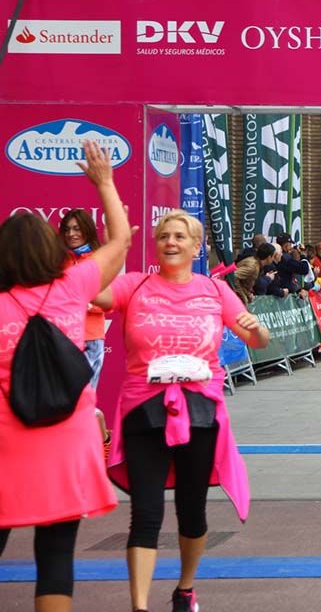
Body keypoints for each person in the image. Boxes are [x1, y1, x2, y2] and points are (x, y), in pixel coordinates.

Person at [95, 210, 269, 612]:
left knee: (192, 510)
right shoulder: (134, 284)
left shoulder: (213, 290)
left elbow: (257, 340)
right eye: (163, 236)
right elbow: (93, 293)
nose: (170, 243)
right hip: (143, 409)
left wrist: (256, 327)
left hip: (199, 411)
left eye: (179, 236)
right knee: (146, 512)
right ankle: (138, 606)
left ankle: (185, 589)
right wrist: (113, 244)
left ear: (196, 246)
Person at [0, 141, 130, 611]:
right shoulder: (72, 288)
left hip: (6, 442)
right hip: (64, 441)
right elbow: (119, 243)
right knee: (55, 553)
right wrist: (104, 183)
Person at [58, 209, 107, 389]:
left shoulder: (99, 259)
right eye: (67, 229)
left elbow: (107, 303)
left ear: (87, 229)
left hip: (90, 337)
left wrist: (77, 303)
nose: (71, 234)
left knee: (84, 399)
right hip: (62, 337)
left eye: (77, 229)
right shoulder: (59, 260)